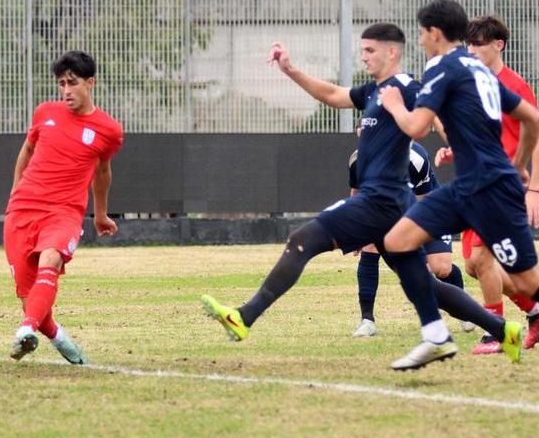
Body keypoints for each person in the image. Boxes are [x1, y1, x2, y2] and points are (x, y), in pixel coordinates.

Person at [200, 23, 519, 357]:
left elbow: (436, 117)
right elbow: (333, 95)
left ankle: (244, 317)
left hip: (382, 202)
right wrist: (291, 70)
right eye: (362, 50)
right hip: (388, 205)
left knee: (300, 241)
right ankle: (502, 330)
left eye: (370, 50)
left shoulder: (407, 87)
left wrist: (454, 144)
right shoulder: (372, 91)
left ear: (391, 52)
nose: (363, 56)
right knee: (427, 286)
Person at [378, 0, 539, 382]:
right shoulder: (476, 70)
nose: (419, 40)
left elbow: (415, 127)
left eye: (420, 32)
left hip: (491, 192)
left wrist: (395, 105)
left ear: (433, 33)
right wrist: (514, 164)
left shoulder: (442, 67)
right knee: (397, 241)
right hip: (468, 186)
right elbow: (531, 118)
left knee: (531, 282)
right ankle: (435, 333)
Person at [437, 15, 539, 355]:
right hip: (475, 184)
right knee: (475, 267)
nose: (471, 50)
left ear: (498, 45)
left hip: (503, 188)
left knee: (482, 259)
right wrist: (452, 149)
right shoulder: (471, 85)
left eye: (477, 44)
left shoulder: (515, 85)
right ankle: (535, 309)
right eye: (467, 44)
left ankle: (497, 333)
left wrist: (533, 188)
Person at [6, 51, 123, 365]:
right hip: (22, 211)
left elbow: (102, 171)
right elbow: (27, 150)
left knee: (51, 258)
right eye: (61, 84)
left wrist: (99, 214)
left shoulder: (108, 129)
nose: (66, 90)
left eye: (73, 83)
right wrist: (16, 192)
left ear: (90, 83)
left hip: (65, 212)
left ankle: (25, 329)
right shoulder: (44, 112)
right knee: (28, 298)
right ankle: (56, 335)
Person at [351, 140, 466, 338]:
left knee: (441, 268)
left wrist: (414, 238)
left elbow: (425, 200)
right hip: (387, 212)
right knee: (370, 245)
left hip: (427, 209)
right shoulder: (358, 159)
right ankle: (367, 320)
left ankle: (464, 310)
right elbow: (357, 193)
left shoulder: (415, 157)